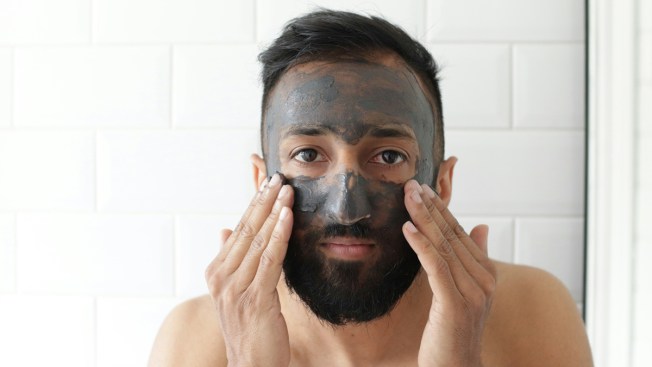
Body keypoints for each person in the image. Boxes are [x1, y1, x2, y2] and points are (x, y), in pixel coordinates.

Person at [149, 10, 593, 367]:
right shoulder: (196, 341)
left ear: (442, 182)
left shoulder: (531, 313)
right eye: (308, 155)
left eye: (388, 157)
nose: (346, 209)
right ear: (259, 183)